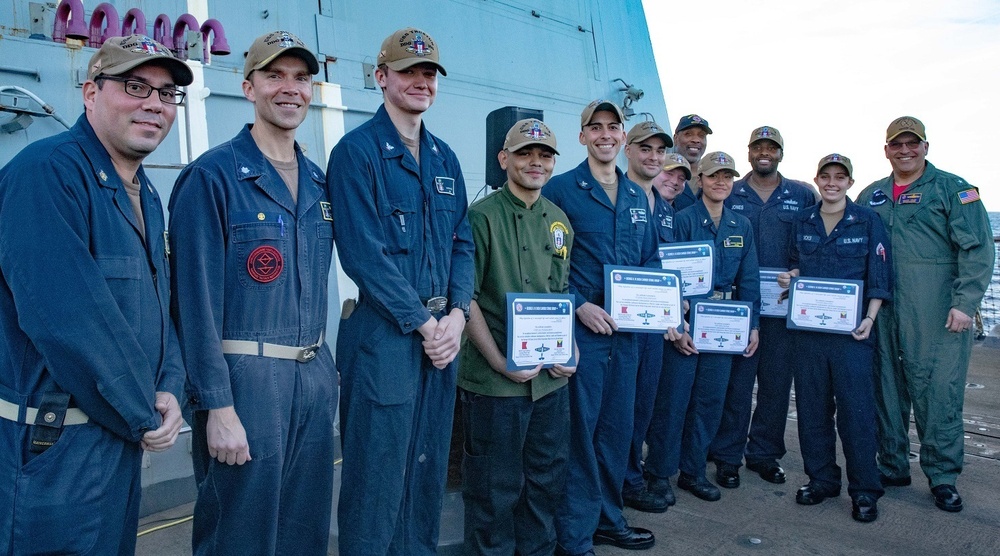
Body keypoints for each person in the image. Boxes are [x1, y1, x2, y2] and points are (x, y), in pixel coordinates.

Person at [0, 35, 190, 554]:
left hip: (117, 438)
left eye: (167, 92)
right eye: (135, 86)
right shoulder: (47, 173)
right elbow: (68, 319)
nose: (154, 103)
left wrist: (170, 385)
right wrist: (143, 411)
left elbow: (158, 303)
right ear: (90, 93)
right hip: (56, 447)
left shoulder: (145, 191)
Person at [169, 31, 335, 554]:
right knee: (239, 531)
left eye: (301, 78)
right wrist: (217, 407)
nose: (290, 89)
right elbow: (193, 305)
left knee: (303, 530)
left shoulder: (317, 180)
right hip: (248, 383)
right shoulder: (212, 177)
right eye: (274, 76)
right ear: (248, 87)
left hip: (312, 373)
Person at [328, 28, 474, 554]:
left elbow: (464, 243)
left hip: (442, 339)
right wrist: (426, 323)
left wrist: (458, 316)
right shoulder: (356, 153)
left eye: (428, 73)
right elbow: (364, 255)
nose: (420, 82)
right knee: (375, 479)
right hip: (385, 338)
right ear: (381, 77)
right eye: (408, 72)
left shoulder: (445, 159)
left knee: (428, 471)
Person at [856, 116, 995, 512]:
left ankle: (943, 477)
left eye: (912, 144)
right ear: (886, 150)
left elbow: (979, 251)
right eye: (896, 145)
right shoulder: (872, 195)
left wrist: (965, 303)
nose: (905, 151)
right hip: (882, 311)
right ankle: (893, 465)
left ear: (925, 147)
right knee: (886, 390)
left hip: (937, 313)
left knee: (939, 394)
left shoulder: (954, 190)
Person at [542, 100, 659, 555]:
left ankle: (609, 519)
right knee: (581, 436)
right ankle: (573, 535)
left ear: (622, 137)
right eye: (596, 127)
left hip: (627, 337)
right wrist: (577, 307)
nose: (605, 135)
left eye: (613, 127)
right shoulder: (562, 191)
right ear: (582, 136)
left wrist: (663, 304)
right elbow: (548, 265)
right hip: (585, 338)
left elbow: (649, 260)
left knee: (616, 432)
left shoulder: (636, 197)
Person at [459, 118, 577, 555]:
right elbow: (465, 299)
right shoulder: (479, 217)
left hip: (550, 380)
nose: (535, 162)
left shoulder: (559, 220)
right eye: (525, 153)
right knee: (493, 492)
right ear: (503, 159)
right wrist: (497, 362)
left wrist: (573, 352)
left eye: (544, 155)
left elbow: (560, 291)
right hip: (496, 385)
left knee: (545, 485)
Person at [779, 153, 892, 522]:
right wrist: (790, 278)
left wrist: (870, 319)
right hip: (808, 334)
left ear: (849, 183)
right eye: (825, 176)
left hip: (852, 335)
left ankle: (864, 491)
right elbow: (796, 263)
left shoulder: (867, 220)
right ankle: (822, 480)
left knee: (857, 414)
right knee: (812, 411)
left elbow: (879, 275)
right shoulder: (802, 220)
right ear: (817, 180)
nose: (832, 182)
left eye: (839, 177)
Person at [644, 151, 760, 503]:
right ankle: (660, 472)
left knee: (709, 401)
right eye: (713, 176)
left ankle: (692, 472)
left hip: (723, 323)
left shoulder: (741, 225)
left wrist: (753, 325)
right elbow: (665, 272)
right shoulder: (681, 219)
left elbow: (749, 277)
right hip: (688, 319)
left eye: (727, 176)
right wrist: (676, 323)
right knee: (674, 400)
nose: (720, 182)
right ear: (701, 181)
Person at [710, 126, 816, 489]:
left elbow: (814, 242)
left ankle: (764, 455)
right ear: (750, 152)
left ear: (781, 154)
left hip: (783, 309)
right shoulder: (730, 190)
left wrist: (803, 270)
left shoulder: (802, 194)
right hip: (737, 307)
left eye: (772, 148)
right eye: (758, 147)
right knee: (737, 385)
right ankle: (727, 456)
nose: (764, 152)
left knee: (774, 385)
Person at [621, 121, 676, 513]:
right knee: (618, 411)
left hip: (654, 326)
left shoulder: (666, 208)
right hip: (619, 325)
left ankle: (631, 477)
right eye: (646, 148)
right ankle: (621, 482)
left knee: (643, 405)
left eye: (660, 151)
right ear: (627, 148)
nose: (653, 157)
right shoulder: (617, 195)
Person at [670, 114, 712, 211]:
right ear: (676, 139)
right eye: (688, 134)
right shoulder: (661, 176)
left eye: (701, 136)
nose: (696, 140)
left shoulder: (714, 179)